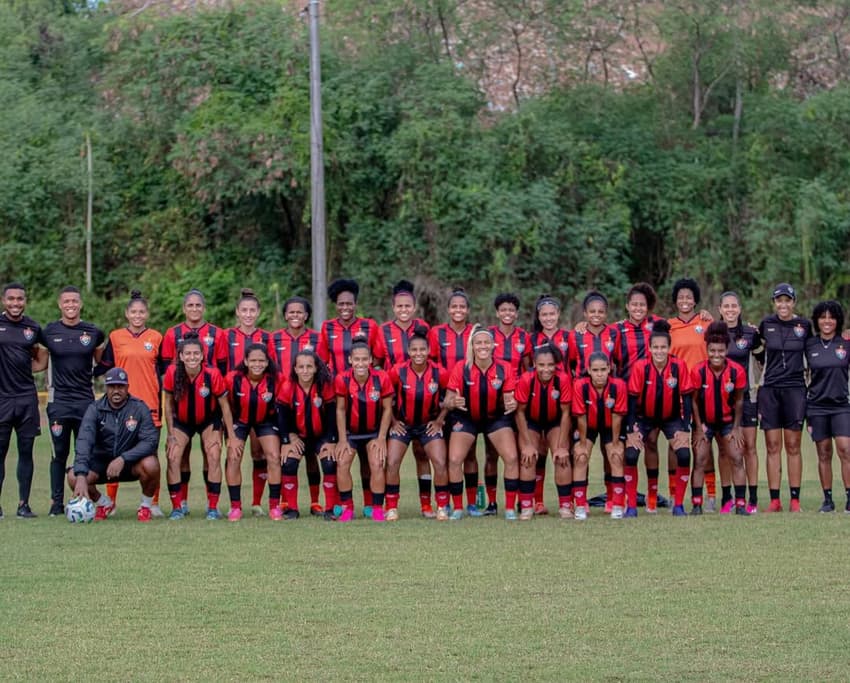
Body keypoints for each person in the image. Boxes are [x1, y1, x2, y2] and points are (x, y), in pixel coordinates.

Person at [97, 290, 164, 516]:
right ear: (127, 313)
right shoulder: (116, 337)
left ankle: (152, 503)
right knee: (113, 452)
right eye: (133, 312)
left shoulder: (156, 337)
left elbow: (165, 372)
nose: (137, 315)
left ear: (147, 314)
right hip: (119, 407)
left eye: (141, 312)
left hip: (149, 406)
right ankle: (110, 502)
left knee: (151, 456)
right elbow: (104, 366)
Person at [160, 288, 227, 513]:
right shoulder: (172, 334)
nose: (194, 309)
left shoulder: (217, 334)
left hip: (209, 410)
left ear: (204, 308)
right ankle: (181, 504)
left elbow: (223, 370)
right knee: (178, 455)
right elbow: (167, 374)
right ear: (184, 308)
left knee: (212, 454)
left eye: (198, 305)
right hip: (182, 412)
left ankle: (212, 507)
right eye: (190, 305)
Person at [444, 325, 519, 520]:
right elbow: (448, 400)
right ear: (472, 346)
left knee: (511, 458)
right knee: (454, 460)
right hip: (466, 418)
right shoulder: (461, 367)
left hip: (496, 418)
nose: (483, 346)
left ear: (493, 345)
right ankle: (458, 507)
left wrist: (512, 402)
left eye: (486, 342)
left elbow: (509, 397)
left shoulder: (504, 367)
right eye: (478, 343)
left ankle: (509, 508)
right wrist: (453, 402)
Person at [42, 286, 105, 516]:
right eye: (66, 301)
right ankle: (56, 503)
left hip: (85, 402)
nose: (71, 305)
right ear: (60, 304)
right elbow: (39, 362)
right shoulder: (48, 332)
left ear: (81, 304)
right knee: (59, 453)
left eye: (74, 301)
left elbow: (101, 363)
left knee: (85, 452)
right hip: (58, 402)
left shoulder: (93, 333)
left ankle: (86, 497)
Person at [67, 367, 161, 522]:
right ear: (106, 387)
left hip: (130, 464)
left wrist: (123, 458)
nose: (116, 391)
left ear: (127, 387)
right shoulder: (94, 409)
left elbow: (151, 441)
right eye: (112, 386)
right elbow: (84, 441)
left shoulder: (139, 408)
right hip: (101, 465)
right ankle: (104, 504)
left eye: (120, 386)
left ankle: (145, 506)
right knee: (73, 476)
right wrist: (82, 475)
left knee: (152, 465)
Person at [625, 320, 695, 516]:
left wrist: (685, 428)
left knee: (684, 454)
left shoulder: (679, 365)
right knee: (630, 455)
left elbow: (687, 398)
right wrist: (630, 430)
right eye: (655, 347)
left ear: (669, 348)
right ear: (649, 348)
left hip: (671, 418)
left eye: (663, 347)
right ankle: (632, 507)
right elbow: (632, 400)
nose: (659, 351)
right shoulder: (641, 367)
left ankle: (678, 505)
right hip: (644, 418)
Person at [162, 334, 235, 520]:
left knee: (214, 455)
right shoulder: (172, 372)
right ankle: (177, 508)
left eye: (196, 353)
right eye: (188, 354)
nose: (192, 357)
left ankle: (212, 508)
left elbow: (225, 406)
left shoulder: (213, 374)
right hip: (182, 421)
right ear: (181, 356)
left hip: (209, 420)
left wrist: (232, 436)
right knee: (173, 456)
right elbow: (168, 404)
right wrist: (170, 434)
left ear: (202, 355)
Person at [381, 280, 436, 518]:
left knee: (422, 454)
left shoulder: (424, 327)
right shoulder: (383, 331)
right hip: (394, 405)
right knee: (390, 458)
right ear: (393, 308)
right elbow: (377, 363)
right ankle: (390, 506)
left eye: (408, 306)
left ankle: (426, 505)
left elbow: (433, 363)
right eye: (399, 306)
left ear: (414, 308)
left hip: (422, 401)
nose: (404, 310)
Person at [386, 327, 450, 521]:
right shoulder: (397, 371)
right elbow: (385, 398)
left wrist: (439, 420)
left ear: (429, 350)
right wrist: (393, 421)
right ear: (408, 351)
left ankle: (439, 506)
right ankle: (391, 507)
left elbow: (450, 396)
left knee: (439, 462)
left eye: (422, 349)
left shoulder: (439, 372)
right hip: (403, 425)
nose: (418, 353)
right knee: (392, 462)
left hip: (427, 426)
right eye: (414, 350)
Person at [610, 282, 663, 511]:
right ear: (627, 306)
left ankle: (652, 496)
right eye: (634, 304)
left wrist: (705, 315)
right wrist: (582, 326)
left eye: (642, 304)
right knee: (626, 447)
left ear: (648, 307)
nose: (638, 308)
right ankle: (622, 495)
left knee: (651, 442)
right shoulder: (616, 330)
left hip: (652, 395)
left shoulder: (658, 325)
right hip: (625, 397)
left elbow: (683, 326)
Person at [757, 283, 810, 512]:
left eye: (788, 300)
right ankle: (774, 500)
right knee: (772, 445)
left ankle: (795, 500)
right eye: (779, 300)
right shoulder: (766, 324)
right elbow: (756, 350)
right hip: (770, 390)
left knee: (793, 445)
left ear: (794, 302)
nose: (783, 305)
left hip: (795, 389)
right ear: (774, 303)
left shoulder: (804, 326)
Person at [219, 288, 271, 517]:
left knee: (259, 454)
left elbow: (271, 370)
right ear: (237, 312)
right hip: (234, 405)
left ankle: (256, 502)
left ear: (258, 312)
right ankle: (235, 505)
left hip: (259, 404)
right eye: (244, 310)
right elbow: (220, 367)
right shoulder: (226, 336)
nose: (248, 314)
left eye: (252, 310)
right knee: (234, 452)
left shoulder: (267, 338)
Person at [269, 296, 323, 515]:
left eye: (299, 312)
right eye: (291, 312)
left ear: (306, 315)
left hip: (311, 402)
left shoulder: (317, 339)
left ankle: (315, 502)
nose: (295, 315)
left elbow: (323, 368)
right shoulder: (274, 339)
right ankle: (285, 501)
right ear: (285, 315)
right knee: (286, 452)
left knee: (311, 455)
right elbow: (268, 369)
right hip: (283, 404)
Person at [667, 278, 718, 510]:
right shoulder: (668, 326)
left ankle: (711, 495)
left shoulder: (706, 322)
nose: (685, 301)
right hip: (676, 394)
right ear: (675, 301)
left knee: (703, 441)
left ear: (695, 300)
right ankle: (673, 494)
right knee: (675, 444)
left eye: (689, 297)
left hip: (703, 392)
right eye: (681, 297)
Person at [427, 288, 479, 514]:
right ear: (448, 309)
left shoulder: (475, 332)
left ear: (468, 310)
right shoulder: (436, 333)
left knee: (470, 453)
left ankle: (472, 502)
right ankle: (445, 501)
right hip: (443, 399)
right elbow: (430, 363)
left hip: (468, 400)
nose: (458, 310)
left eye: (462, 307)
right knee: (445, 454)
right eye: (454, 306)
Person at [689, 322, 749, 516]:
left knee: (737, 458)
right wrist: (699, 428)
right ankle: (696, 505)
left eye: (721, 351)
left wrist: (736, 428)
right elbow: (694, 401)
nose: (716, 355)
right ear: (707, 350)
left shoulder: (736, 371)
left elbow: (739, 400)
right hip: (704, 423)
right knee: (699, 460)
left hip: (727, 423)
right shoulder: (698, 371)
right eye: (712, 351)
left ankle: (740, 504)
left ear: (727, 350)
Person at [0, 282, 47, 519]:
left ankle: (23, 505)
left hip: (27, 398)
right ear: (3, 300)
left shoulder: (33, 327)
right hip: (2, 399)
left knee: (26, 452)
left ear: (25, 301)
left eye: (20, 299)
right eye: (11, 299)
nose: (15, 303)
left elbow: (41, 358)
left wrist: (22, 368)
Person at [334, 337, 394, 522]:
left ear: (371, 360)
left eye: (364, 359)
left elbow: (387, 409)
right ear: (350, 360)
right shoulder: (342, 378)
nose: (360, 363)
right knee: (342, 463)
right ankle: (348, 508)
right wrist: (342, 439)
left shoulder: (382, 377)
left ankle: (377, 509)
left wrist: (381, 437)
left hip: (373, 433)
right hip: (351, 434)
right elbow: (340, 410)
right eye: (357, 359)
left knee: (377, 464)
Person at [568, 291, 618, 511]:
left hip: (608, 399)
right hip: (583, 398)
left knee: (610, 452)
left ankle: (611, 499)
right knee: (581, 451)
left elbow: (618, 361)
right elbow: (571, 363)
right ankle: (580, 499)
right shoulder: (576, 335)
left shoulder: (615, 333)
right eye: (592, 311)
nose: (596, 315)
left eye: (600, 311)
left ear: (606, 313)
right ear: (585, 313)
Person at [277, 349, 338, 519]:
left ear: (316, 368)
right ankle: (292, 509)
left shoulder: (324, 386)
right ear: (295, 369)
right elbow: (282, 416)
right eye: (301, 367)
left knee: (329, 462)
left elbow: (332, 415)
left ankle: (330, 509)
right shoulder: (288, 387)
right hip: (298, 436)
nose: (305, 370)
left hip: (321, 437)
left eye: (309, 367)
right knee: (288, 463)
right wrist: (287, 439)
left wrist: (331, 440)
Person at [224, 344, 281, 520]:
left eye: (261, 361)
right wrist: (230, 436)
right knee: (233, 457)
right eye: (253, 360)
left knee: (274, 457)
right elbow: (225, 408)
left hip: (266, 421)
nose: (257, 364)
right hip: (239, 421)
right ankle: (235, 507)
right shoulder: (232, 378)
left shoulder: (276, 379)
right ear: (246, 361)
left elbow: (283, 407)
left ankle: (274, 506)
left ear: (267, 362)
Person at [514, 344, 571, 520]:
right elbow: (519, 412)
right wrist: (527, 444)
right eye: (541, 365)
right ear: (534, 364)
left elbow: (566, 413)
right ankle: (526, 507)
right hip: (531, 421)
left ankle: (565, 506)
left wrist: (562, 446)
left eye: (550, 365)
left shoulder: (562, 379)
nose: (546, 369)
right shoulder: (526, 379)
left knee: (562, 457)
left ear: (556, 365)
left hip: (555, 421)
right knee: (528, 457)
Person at [719, 291, 763, 514]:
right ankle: (727, 498)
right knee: (725, 450)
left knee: (749, 448)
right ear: (720, 309)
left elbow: (762, 359)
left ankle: (752, 499)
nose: (730, 310)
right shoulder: (714, 332)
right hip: (720, 400)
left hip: (746, 398)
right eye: (726, 306)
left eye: (733, 306)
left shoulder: (750, 333)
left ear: (739, 308)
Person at [804, 301, 850, 513]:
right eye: (823, 317)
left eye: (831, 317)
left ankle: (849, 497)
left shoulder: (846, 343)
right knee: (823, 453)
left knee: (845, 449)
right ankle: (828, 500)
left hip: (841, 406)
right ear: (817, 320)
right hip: (816, 406)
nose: (827, 321)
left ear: (838, 320)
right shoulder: (810, 344)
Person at [528, 294, 571, 514]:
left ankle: (567, 503)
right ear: (538, 317)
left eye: (552, 314)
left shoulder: (569, 337)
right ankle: (536, 502)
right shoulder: (531, 339)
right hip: (536, 403)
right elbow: (526, 368)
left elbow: (575, 365)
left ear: (558, 314)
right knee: (538, 454)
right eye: (544, 314)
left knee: (562, 453)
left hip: (561, 402)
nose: (548, 318)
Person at [572, 353, 628, 520]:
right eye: (595, 370)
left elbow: (617, 416)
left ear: (609, 369)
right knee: (581, 457)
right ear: (589, 370)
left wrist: (616, 443)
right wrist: (582, 444)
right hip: (588, 426)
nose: (599, 374)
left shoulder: (618, 385)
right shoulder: (580, 385)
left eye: (603, 370)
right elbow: (581, 417)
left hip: (610, 426)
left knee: (616, 457)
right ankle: (580, 506)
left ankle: (617, 505)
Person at [318, 278, 387, 376]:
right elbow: (323, 359)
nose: (345, 307)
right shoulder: (327, 327)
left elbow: (378, 358)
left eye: (349, 304)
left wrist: (363, 370)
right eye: (341, 304)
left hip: (363, 383)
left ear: (355, 304)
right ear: (336, 305)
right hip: (336, 383)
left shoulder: (370, 325)